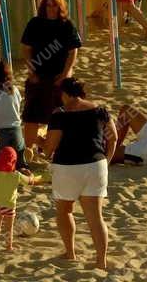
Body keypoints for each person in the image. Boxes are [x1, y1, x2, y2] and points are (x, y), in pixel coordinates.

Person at [42, 78, 116, 271]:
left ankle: (71, 253)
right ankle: (101, 261)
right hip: (96, 165)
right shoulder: (100, 111)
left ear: (64, 94)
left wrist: (40, 142)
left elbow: (49, 149)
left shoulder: (60, 115)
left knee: (65, 210)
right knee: (95, 217)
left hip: (67, 167)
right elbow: (113, 137)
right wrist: (106, 160)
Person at [20, 0, 81, 152]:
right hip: (38, 78)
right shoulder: (35, 23)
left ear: (60, 6)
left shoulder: (67, 25)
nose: (51, 9)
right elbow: (26, 49)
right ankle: (33, 149)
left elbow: (73, 51)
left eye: (54, 5)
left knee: (59, 118)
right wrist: (31, 71)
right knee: (31, 117)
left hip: (59, 79)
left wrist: (66, 73)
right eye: (48, 5)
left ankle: (53, 148)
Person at [0, 147, 36, 252]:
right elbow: (30, 182)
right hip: (9, 205)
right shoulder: (16, 175)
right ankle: (9, 247)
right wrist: (31, 175)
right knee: (9, 228)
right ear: (14, 161)